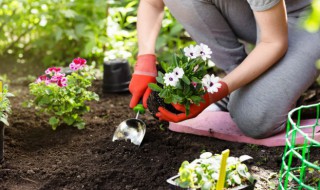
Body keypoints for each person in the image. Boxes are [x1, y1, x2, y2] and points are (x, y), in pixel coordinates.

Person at [129, 0, 320, 139]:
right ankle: (239, 82)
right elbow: (152, 3)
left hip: (309, 17)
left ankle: (254, 90)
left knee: (253, 118)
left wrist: (214, 93)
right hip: (263, 15)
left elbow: (273, 42)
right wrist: (145, 59)